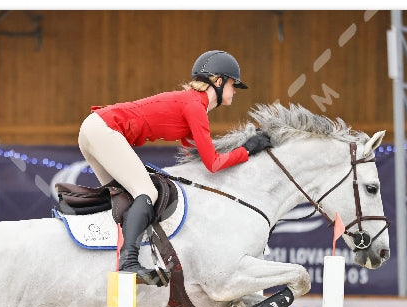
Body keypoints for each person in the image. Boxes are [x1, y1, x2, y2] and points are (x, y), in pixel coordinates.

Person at [78, 50, 272, 286]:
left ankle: (102, 260)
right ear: (218, 81)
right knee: (147, 193)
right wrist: (248, 149)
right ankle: (129, 264)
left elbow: (201, 156)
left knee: (124, 198)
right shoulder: (195, 107)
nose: (234, 91)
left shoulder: (191, 103)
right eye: (233, 84)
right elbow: (213, 164)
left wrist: (241, 150)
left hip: (94, 128)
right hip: (104, 129)